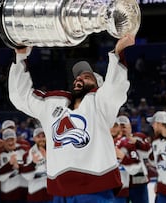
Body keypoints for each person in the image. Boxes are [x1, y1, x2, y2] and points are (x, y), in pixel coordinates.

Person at [7, 34, 135, 202]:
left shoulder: (101, 103)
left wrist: (117, 52)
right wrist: (20, 55)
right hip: (60, 193)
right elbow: (20, 97)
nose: (79, 77)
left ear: (99, 86)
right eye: (78, 77)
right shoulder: (54, 103)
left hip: (95, 191)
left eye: (87, 77)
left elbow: (115, 88)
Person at [115, 115, 151, 203]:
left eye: (124, 126)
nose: (123, 129)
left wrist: (136, 143)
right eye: (120, 127)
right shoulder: (113, 141)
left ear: (130, 126)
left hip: (139, 181)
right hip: (121, 184)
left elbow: (148, 153)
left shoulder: (139, 136)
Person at [21, 127, 53, 203]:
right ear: (34, 138)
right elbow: (25, 175)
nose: (41, 139)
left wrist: (46, 157)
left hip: (50, 195)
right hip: (35, 195)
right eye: (38, 137)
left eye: (43, 136)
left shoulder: (53, 152)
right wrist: (33, 164)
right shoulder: (27, 155)